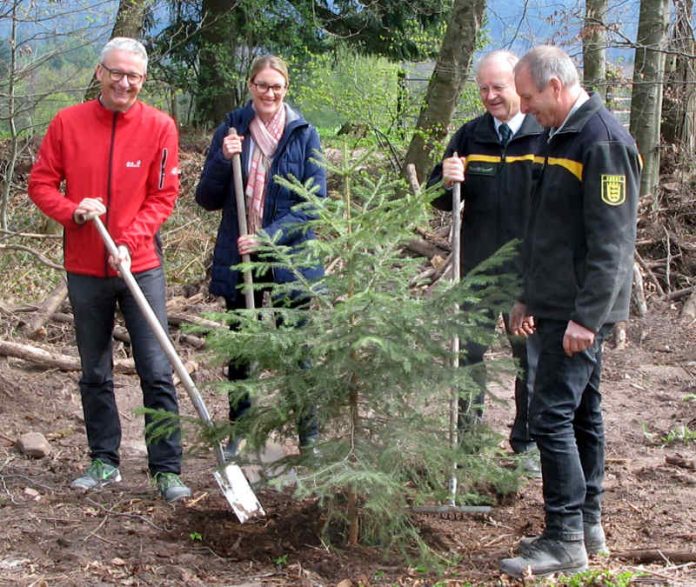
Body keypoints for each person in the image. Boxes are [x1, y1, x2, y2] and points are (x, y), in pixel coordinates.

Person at [28, 37, 191, 503]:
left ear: (143, 80)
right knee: (94, 369)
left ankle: (167, 469)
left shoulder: (160, 126)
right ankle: (104, 460)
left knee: (157, 370)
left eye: (133, 77)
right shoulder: (68, 123)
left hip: (140, 266)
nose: (124, 83)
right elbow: (40, 183)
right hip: (84, 267)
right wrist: (73, 211)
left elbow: (163, 197)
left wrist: (128, 240)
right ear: (100, 73)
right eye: (116, 73)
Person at [499, 45, 641, 578]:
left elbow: (613, 244)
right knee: (581, 412)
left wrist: (588, 318)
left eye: (531, 97)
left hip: (577, 311)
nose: (526, 107)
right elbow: (546, 230)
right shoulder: (559, 134)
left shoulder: (601, 141)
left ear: (555, 87)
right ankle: (587, 524)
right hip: (552, 300)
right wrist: (526, 294)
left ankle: (564, 537)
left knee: (550, 415)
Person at [195, 55, 326, 460]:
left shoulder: (304, 134)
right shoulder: (232, 129)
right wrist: (222, 157)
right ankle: (241, 433)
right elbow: (206, 198)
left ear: (286, 88)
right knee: (241, 352)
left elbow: (313, 203)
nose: (269, 93)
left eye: (276, 86)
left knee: (297, 352)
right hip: (240, 259)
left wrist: (267, 238)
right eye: (262, 85)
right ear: (250, 85)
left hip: (289, 261)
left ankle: (309, 439)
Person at [427, 50, 545, 472]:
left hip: (525, 275)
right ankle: (469, 441)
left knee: (527, 360)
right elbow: (435, 196)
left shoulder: (541, 136)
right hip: (476, 268)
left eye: (499, 87)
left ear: (519, 86)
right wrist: (445, 179)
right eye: (483, 89)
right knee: (469, 356)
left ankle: (527, 445)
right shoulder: (469, 137)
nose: (491, 96)